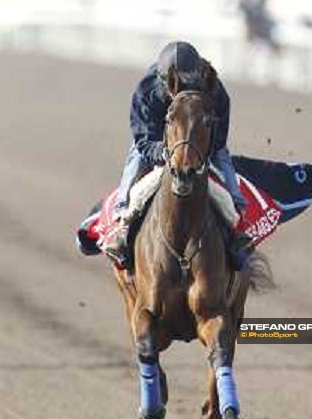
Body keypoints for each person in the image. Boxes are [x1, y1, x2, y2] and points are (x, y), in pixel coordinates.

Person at [103, 41, 252, 267]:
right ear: (164, 81)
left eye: (186, 83)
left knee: (222, 157)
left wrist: (198, 154)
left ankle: (238, 224)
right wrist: (164, 153)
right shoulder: (147, 91)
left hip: (199, 142)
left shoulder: (215, 90)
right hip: (157, 141)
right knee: (135, 155)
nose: (180, 88)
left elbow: (219, 138)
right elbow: (144, 139)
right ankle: (122, 219)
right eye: (175, 84)